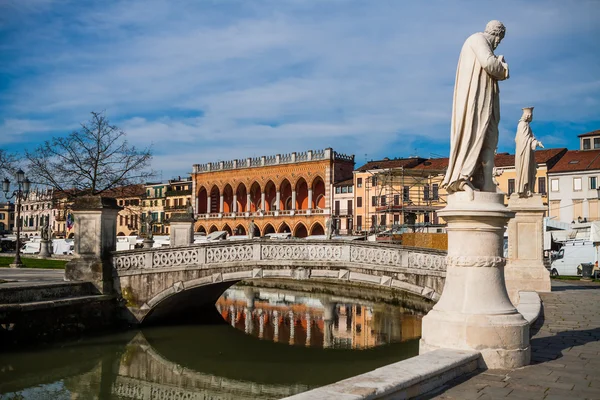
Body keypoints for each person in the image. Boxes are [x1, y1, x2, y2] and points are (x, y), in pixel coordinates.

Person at [442, 20, 509, 194]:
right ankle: (461, 178)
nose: (498, 43)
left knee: (489, 139)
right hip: (474, 102)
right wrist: (503, 67)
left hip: (485, 100)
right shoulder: (477, 39)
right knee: (472, 136)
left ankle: (485, 181)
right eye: (499, 39)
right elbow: (489, 63)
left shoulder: (482, 42)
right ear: (496, 33)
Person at [515, 107, 543, 197]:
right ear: (528, 115)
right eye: (531, 115)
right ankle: (524, 189)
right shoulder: (522, 125)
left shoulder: (527, 125)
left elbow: (529, 138)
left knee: (530, 170)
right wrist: (535, 142)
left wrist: (536, 142)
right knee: (525, 170)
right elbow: (522, 140)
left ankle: (528, 189)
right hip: (523, 153)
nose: (532, 117)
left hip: (528, 152)